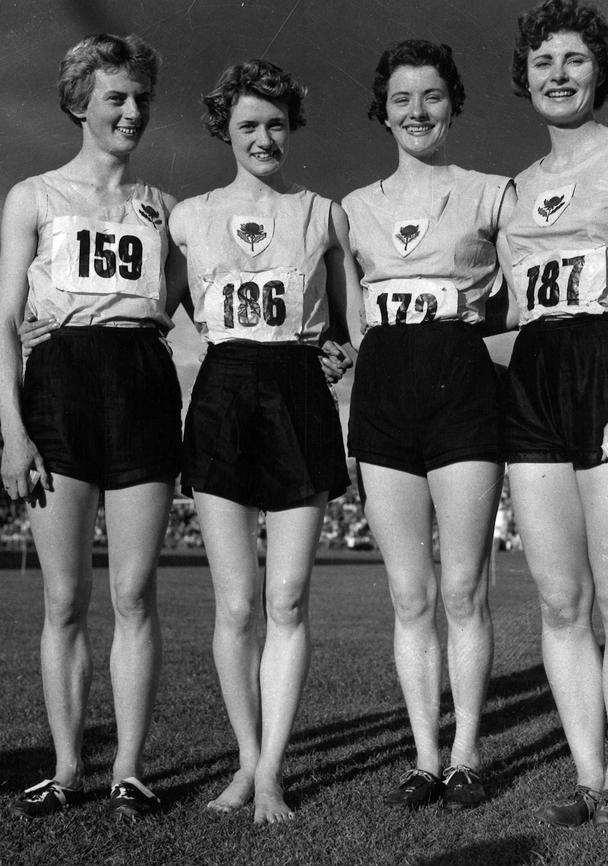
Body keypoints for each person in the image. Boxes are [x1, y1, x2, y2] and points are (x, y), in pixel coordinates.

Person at [0, 34, 185, 821]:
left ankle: (130, 772)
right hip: (58, 395)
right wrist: (12, 433)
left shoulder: (163, 207)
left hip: (141, 386)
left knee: (134, 592)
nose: (132, 111)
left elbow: (175, 302)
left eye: (141, 97)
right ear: (80, 103)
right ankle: (69, 767)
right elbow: (5, 321)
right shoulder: (33, 196)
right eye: (116, 98)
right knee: (65, 600)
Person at [168, 58, 353, 825]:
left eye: (276, 122)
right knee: (238, 603)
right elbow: (153, 314)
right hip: (220, 394)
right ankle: (246, 764)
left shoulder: (323, 213)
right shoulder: (187, 216)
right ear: (225, 129)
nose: (264, 136)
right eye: (248, 124)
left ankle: (271, 772)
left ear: (291, 127)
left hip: (298, 395)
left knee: (285, 596)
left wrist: (341, 352)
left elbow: (345, 332)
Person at [342, 40, 515, 810]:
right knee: (410, 594)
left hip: (462, 387)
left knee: (464, 587)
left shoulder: (490, 193)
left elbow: (523, 309)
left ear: (454, 104)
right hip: (383, 394)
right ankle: (424, 754)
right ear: (383, 109)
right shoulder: (352, 209)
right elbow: (346, 328)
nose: (417, 112)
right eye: (402, 99)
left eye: (432, 97)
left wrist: (474, 352)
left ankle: (470, 752)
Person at [504, 0, 608, 831]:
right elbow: (499, 300)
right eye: (542, 62)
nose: (557, 75)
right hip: (533, 373)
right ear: (525, 77)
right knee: (559, 598)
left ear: (599, 69)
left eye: (574, 60)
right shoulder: (517, 187)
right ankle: (589, 774)